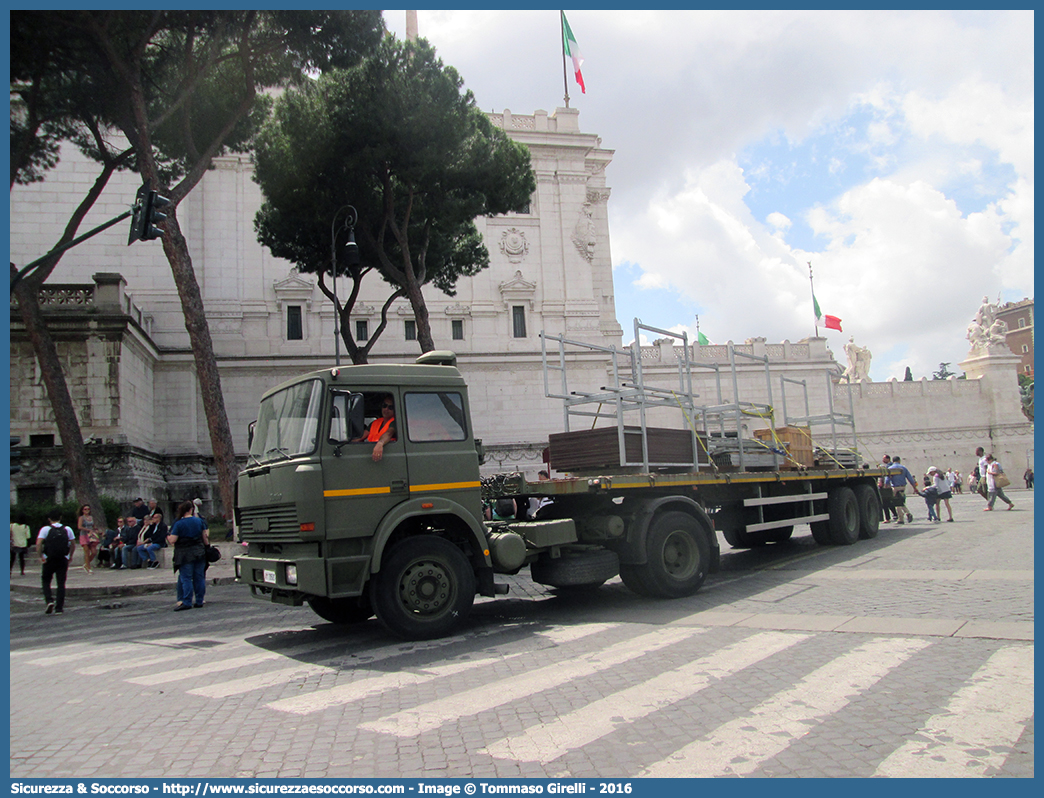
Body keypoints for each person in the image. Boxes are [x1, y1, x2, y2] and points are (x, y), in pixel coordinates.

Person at [167, 500, 209, 610]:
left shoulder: (179, 524)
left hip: (184, 553)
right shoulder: (199, 521)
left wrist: (167, 536)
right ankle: (199, 600)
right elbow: (205, 537)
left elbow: (173, 540)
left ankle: (187, 601)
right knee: (199, 577)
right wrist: (207, 547)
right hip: (199, 551)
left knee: (186, 578)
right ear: (191, 510)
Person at [36, 509, 76, 615]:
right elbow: (73, 544)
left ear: (49, 519)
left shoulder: (45, 529)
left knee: (46, 580)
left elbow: (39, 543)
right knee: (61, 583)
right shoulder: (67, 529)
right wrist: (69, 556)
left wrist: (40, 556)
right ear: (60, 517)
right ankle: (59, 608)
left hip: (49, 558)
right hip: (62, 558)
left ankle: (49, 600)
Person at [353, 394, 397, 462]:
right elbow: (361, 437)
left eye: (390, 407)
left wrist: (380, 443)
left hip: (387, 456)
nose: (386, 409)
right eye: (384, 406)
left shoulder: (395, 422)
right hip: (371, 453)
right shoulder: (375, 422)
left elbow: (389, 433)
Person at [887, 456, 920, 524]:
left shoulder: (890, 468)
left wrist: (886, 486)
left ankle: (902, 518)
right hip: (903, 487)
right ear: (899, 460)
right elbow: (910, 478)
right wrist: (914, 487)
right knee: (900, 501)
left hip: (895, 487)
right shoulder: (903, 468)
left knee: (897, 502)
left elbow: (887, 480)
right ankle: (906, 514)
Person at [77, 503, 100, 574]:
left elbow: (93, 526)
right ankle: (88, 568)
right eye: (85, 509)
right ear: (82, 510)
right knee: (86, 551)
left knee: (94, 552)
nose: (87, 510)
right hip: (84, 535)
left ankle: (86, 563)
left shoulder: (91, 518)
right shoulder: (81, 518)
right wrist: (87, 530)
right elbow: (79, 527)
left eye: (88, 509)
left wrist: (96, 530)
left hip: (91, 535)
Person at [878, 455, 897, 522]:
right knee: (889, 502)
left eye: (884, 458)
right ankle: (895, 514)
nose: (883, 460)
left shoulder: (889, 466)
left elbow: (887, 477)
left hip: (886, 487)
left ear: (888, 459)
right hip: (887, 487)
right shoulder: (888, 466)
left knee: (886, 503)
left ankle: (888, 518)